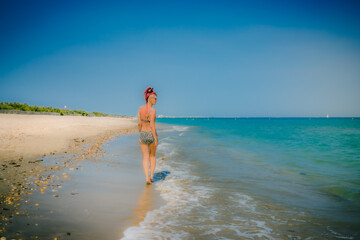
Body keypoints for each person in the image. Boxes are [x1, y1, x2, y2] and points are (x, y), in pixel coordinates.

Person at [137, 87, 158, 184]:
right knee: (152, 156)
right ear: (150, 99)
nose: (156, 100)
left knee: (145, 157)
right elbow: (152, 126)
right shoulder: (153, 111)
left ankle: (146, 178)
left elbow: (139, 124)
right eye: (155, 98)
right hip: (150, 134)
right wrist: (156, 138)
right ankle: (152, 176)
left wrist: (140, 133)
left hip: (143, 134)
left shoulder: (140, 109)